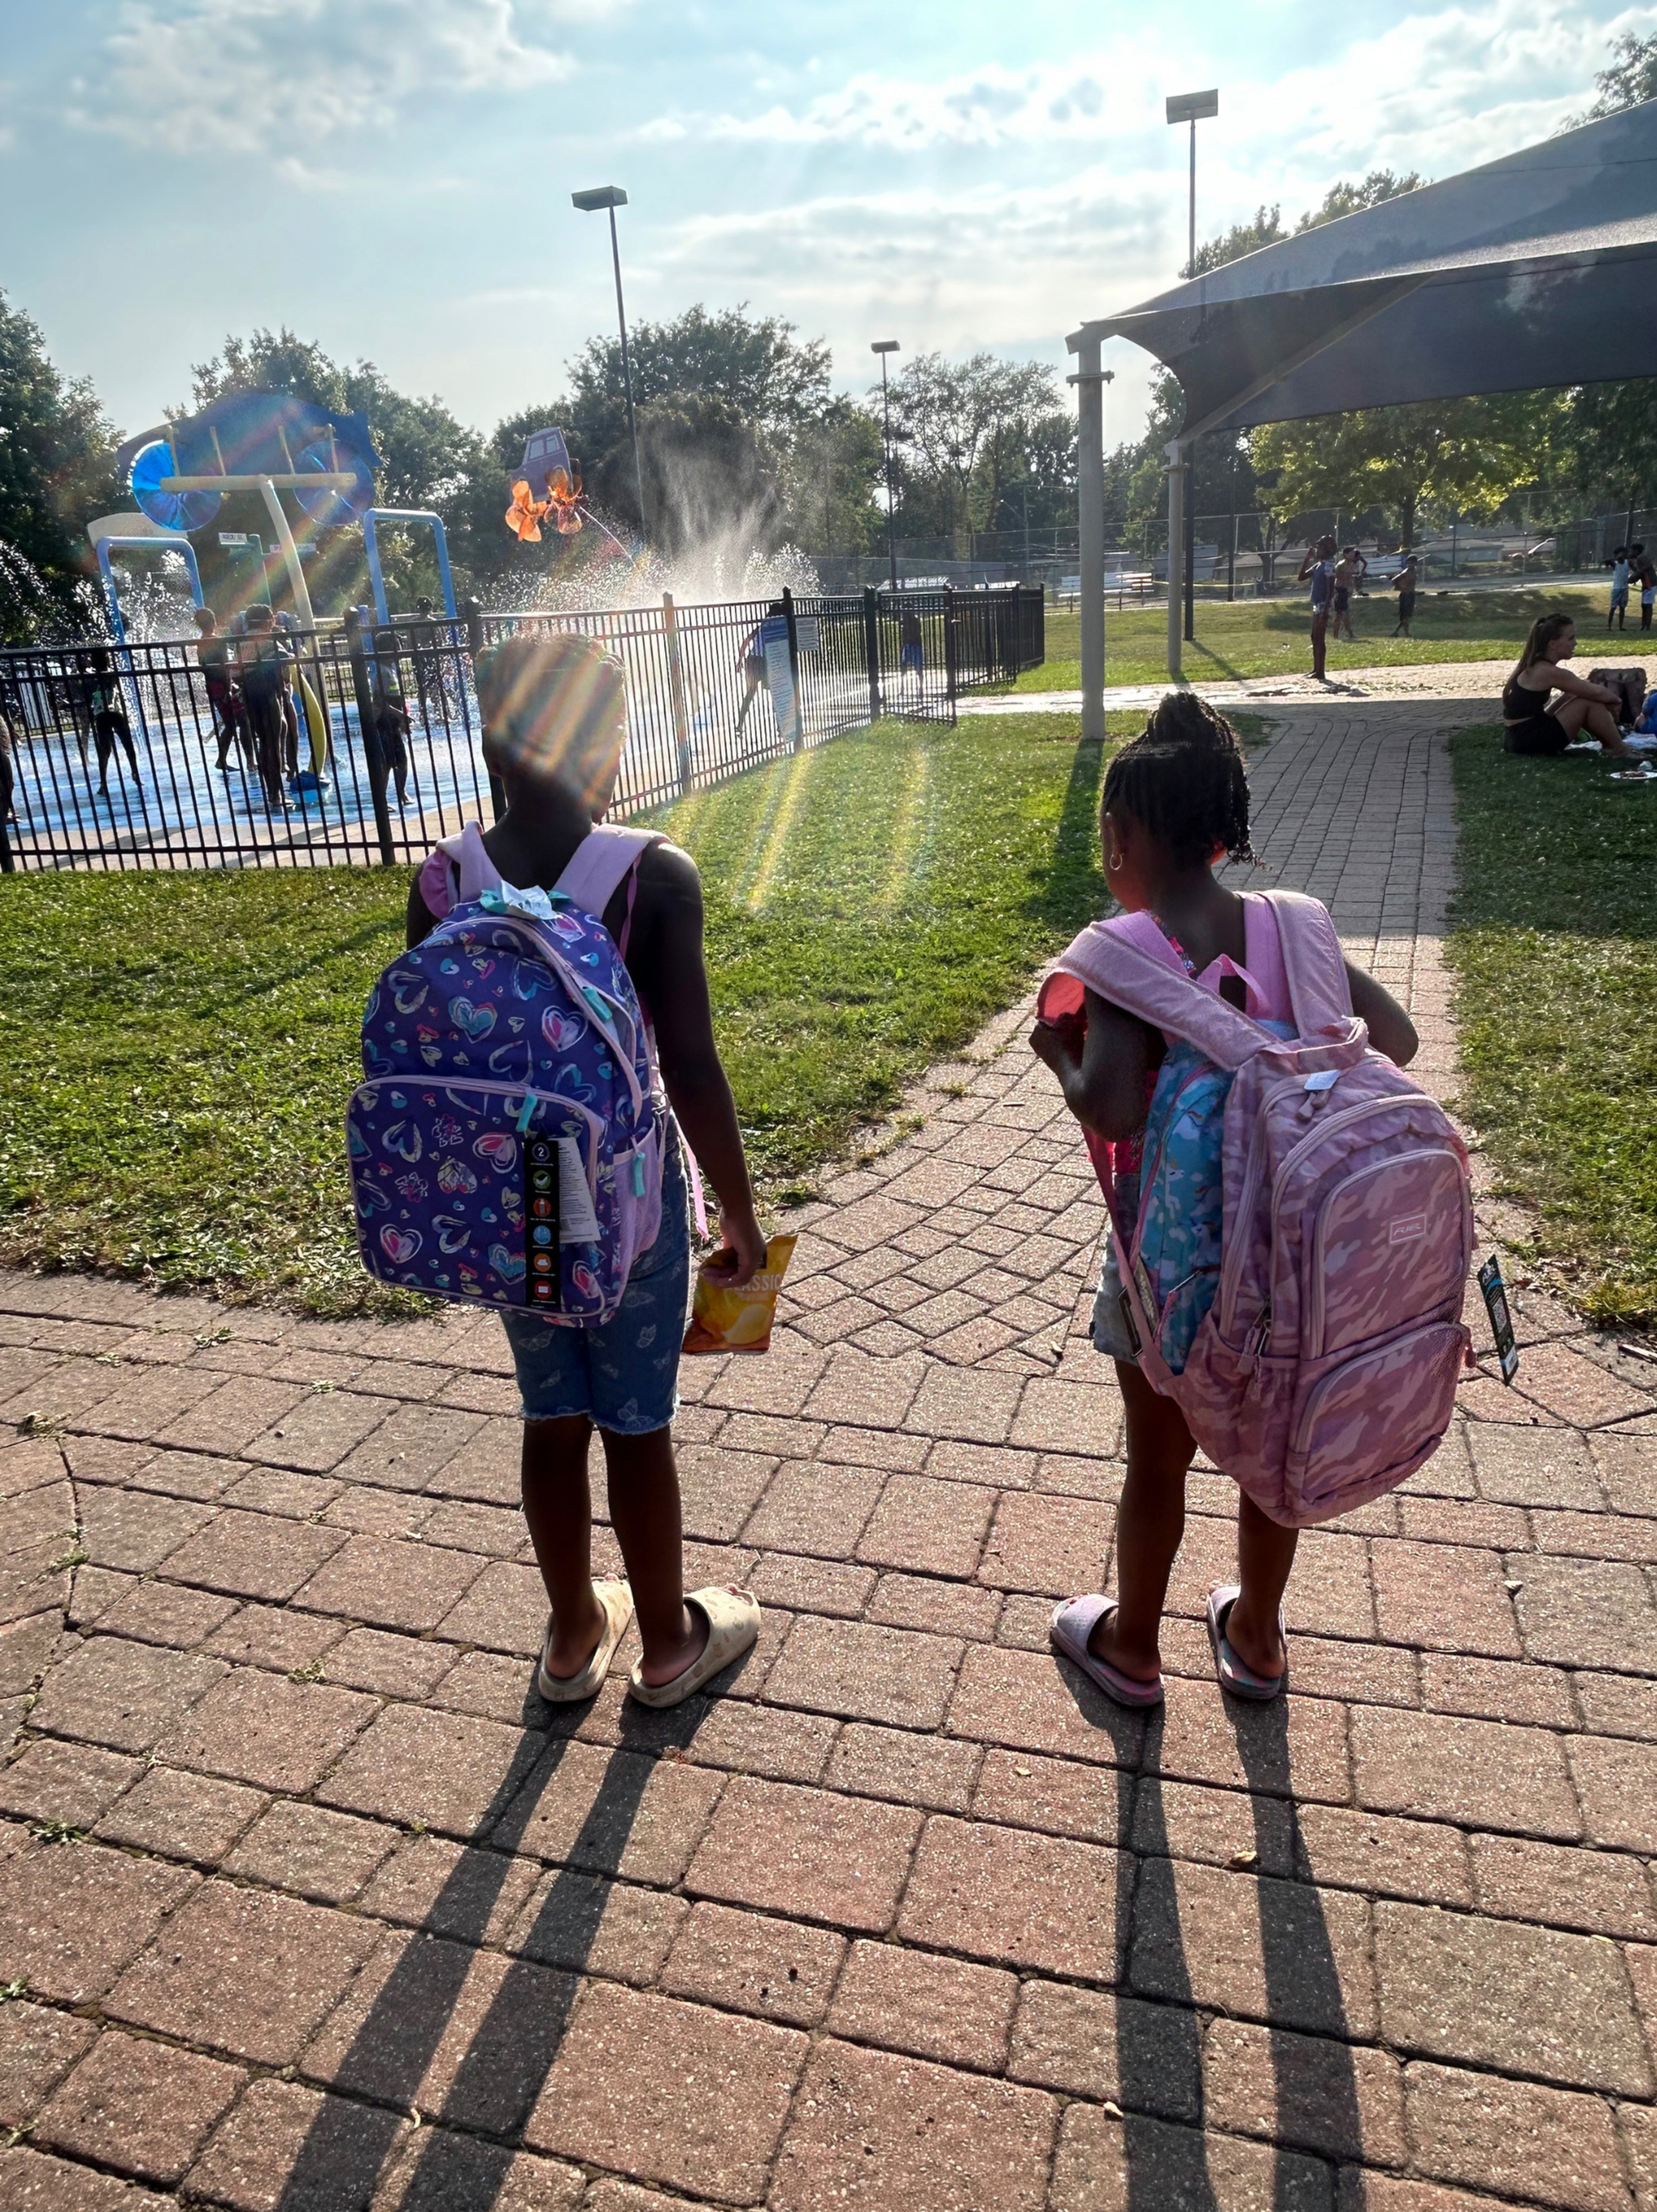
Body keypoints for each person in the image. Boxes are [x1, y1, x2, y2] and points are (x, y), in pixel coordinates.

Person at [1029, 695, 1419, 1701]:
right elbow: (1398, 1040)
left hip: (1169, 1278)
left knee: (1156, 1464)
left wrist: (1058, 1056)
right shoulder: (1295, 925)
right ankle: (1254, 1636)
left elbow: (1114, 1109)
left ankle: (1132, 1646)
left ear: (1119, 836)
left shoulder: (1124, 951)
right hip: (1296, 1262)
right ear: (1220, 832)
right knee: (1273, 1444)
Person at [405, 631, 766, 1707]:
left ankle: (572, 1633)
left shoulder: (445, 879)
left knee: (551, 1416)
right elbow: (689, 1064)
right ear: (607, 743)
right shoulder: (650, 875)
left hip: (510, 1201)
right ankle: (666, 1643)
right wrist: (738, 1213)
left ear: (491, 743)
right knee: (637, 1425)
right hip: (628, 1201)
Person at [1502, 613, 1632, 757]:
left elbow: (1538, 716)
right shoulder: (1547, 671)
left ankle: (1613, 743)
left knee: (1579, 697)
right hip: (1528, 740)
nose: (1575, 643)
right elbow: (1597, 693)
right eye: (1571, 638)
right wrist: (1617, 700)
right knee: (1587, 701)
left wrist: (1567, 698)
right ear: (1553, 644)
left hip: (1517, 739)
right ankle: (1619, 748)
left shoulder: (1537, 666)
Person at [238, 604, 294, 810]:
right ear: (264, 621)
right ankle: (276, 793)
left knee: (264, 741)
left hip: (249, 694)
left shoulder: (241, 642)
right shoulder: (268, 641)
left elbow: (236, 671)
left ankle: (271, 790)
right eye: (271, 618)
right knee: (273, 742)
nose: (273, 622)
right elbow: (286, 658)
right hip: (268, 692)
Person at [193, 607, 248, 772]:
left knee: (231, 723)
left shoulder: (200, 644)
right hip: (223, 687)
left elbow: (204, 668)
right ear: (213, 622)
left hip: (213, 687)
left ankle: (222, 760)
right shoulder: (218, 641)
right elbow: (225, 667)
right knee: (241, 721)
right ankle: (245, 760)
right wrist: (229, 689)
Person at [86, 651, 140, 801]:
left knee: (105, 751)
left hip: (101, 715)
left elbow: (90, 698)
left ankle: (103, 782)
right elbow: (118, 693)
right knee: (128, 745)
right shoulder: (112, 674)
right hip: (116, 713)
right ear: (107, 661)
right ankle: (135, 773)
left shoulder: (90, 678)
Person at [371, 629, 412, 804]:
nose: (400, 651)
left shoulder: (391, 670)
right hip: (383, 722)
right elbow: (380, 702)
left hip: (393, 722)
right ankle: (382, 799)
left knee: (401, 760)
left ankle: (401, 792)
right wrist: (400, 714)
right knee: (386, 763)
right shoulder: (380, 673)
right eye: (397, 647)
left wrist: (403, 717)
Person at [733, 606, 780, 736]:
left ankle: (740, 724)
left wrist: (740, 659)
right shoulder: (776, 629)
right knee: (775, 693)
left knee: (750, 693)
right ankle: (780, 727)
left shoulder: (761, 628)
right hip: (763, 662)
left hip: (753, 661)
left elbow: (746, 642)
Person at [1297, 534, 1336, 680]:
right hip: (1317, 604)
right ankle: (1316, 668)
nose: (1317, 551)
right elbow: (1301, 577)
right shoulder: (1318, 565)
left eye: (1320, 548)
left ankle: (1320, 671)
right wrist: (1307, 559)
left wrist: (1326, 610)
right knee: (1315, 636)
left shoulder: (1329, 566)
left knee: (1320, 637)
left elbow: (1330, 589)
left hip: (1323, 605)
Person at [1331, 545, 1361, 643]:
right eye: (1351, 553)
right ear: (1346, 554)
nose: (1353, 554)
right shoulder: (1340, 565)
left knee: (1342, 614)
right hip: (1339, 591)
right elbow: (1336, 578)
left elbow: (1350, 578)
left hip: (1345, 591)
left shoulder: (1351, 564)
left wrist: (1351, 588)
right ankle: (1344, 634)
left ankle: (1342, 634)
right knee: (1341, 614)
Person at [1390, 552, 1419, 638]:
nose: (1410, 564)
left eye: (1412, 562)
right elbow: (1394, 580)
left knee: (1408, 615)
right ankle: (1403, 632)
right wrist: (1401, 588)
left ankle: (1399, 632)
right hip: (1406, 595)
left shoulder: (1414, 571)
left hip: (1411, 594)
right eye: (1409, 562)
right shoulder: (1406, 572)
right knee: (1405, 615)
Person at [899, 606, 924, 688]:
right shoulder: (907, 621)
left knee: (917, 667)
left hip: (914, 645)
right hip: (911, 645)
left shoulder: (913, 621)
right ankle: (904, 687)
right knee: (905, 666)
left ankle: (919, 687)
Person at [1608, 546, 1631, 631]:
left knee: (1622, 608)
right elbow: (1606, 561)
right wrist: (1617, 558)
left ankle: (1620, 626)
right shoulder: (1615, 563)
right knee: (1613, 608)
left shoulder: (1627, 562)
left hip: (1624, 588)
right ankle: (1609, 626)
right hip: (1616, 588)